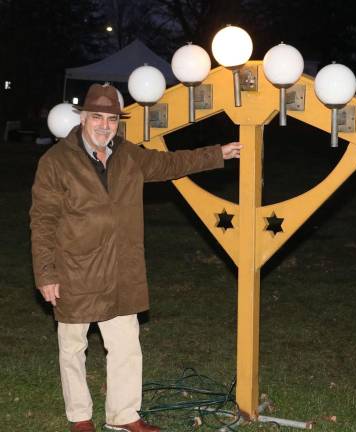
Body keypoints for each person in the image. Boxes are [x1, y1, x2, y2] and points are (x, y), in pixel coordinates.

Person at [30, 83, 242, 432]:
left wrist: (217, 153)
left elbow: (171, 162)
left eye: (111, 119)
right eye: (96, 117)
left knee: (127, 346)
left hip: (120, 271)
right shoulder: (55, 162)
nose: (103, 125)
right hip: (74, 270)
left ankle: (124, 415)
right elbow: (43, 221)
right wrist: (46, 273)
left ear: (118, 122)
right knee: (72, 348)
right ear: (82, 117)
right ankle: (80, 417)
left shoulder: (129, 155)